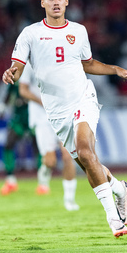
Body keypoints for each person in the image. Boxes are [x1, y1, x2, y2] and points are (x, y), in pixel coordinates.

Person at [2, 0, 127, 237]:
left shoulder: (78, 31)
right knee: (89, 162)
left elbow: (88, 63)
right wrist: (10, 74)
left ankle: (114, 220)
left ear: (67, 1)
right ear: (42, 3)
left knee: (85, 153)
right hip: (56, 111)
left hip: (83, 98)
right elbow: (17, 67)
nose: (56, 2)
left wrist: (115, 69)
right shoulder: (30, 34)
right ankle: (119, 189)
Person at [19, 62, 80, 210]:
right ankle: (44, 174)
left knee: (68, 156)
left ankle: (69, 200)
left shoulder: (61, 60)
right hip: (41, 117)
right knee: (50, 161)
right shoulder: (29, 65)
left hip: (62, 115)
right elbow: (23, 91)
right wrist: (42, 102)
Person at [0, 80, 32, 195]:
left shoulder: (36, 71)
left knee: (39, 146)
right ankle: (10, 179)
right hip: (18, 117)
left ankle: (43, 181)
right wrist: (2, 107)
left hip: (33, 114)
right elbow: (9, 93)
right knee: (8, 144)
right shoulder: (16, 73)